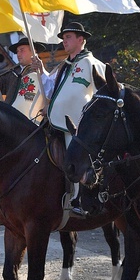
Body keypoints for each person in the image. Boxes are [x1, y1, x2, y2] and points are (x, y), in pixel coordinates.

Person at [31, 22, 106, 216]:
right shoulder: (64, 66)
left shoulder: (93, 64)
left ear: (81, 40)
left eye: (68, 37)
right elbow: (50, 90)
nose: (64, 41)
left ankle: (80, 199)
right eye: (63, 38)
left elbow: (105, 94)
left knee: (76, 158)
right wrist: (41, 70)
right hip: (56, 123)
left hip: (79, 127)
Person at [0, 36, 47, 123]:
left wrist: (41, 71)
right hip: (9, 119)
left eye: (22, 50)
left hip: (32, 121)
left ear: (33, 51)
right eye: (17, 51)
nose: (18, 54)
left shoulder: (41, 74)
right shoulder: (13, 73)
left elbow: (49, 91)